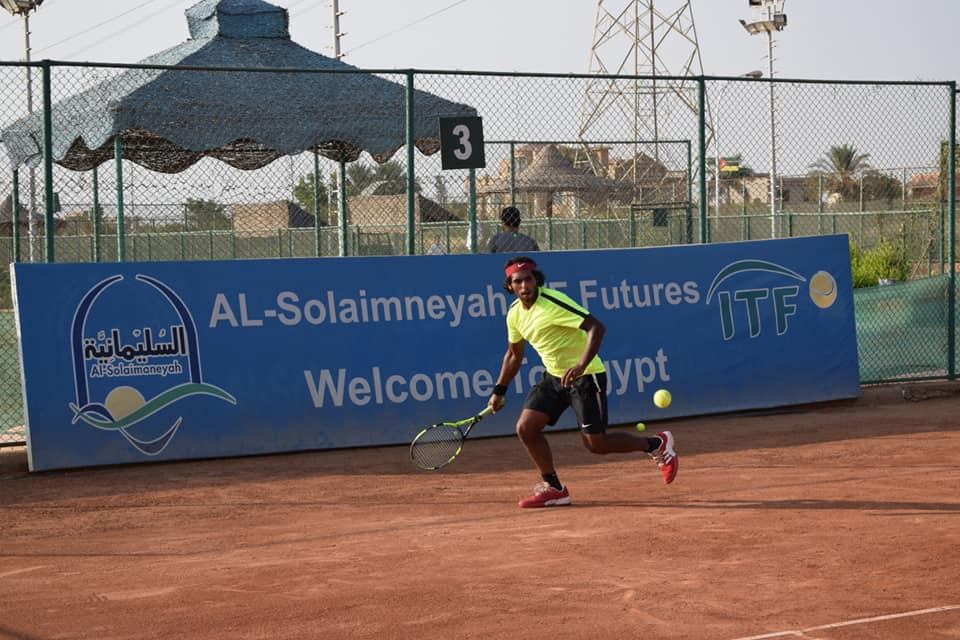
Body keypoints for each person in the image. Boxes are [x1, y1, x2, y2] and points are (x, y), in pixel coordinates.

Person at [488, 256, 678, 508]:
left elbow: (596, 328)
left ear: (537, 280)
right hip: (555, 377)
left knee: (596, 445)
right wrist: (499, 390)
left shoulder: (553, 302)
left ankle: (656, 444)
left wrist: (581, 366)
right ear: (510, 286)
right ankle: (554, 488)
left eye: (528, 279)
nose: (524, 286)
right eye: (518, 282)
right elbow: (514, 355)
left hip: (586, 376)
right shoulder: (514, 314)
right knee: (526, 428)